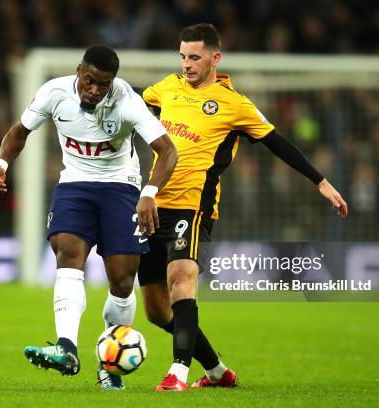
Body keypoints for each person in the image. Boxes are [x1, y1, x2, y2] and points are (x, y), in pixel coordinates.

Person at [138, 23, 348, 392]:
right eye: (183, 56)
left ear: (215, 58)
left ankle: (177, 374)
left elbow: (278, 143)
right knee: (157, 311)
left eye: (195, 57)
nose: (187, 64)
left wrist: (321, 182)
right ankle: (218, 372)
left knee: (181, 280)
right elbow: (132, 110)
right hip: (152, 203)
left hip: (194, 206)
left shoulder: (235, 104)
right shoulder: (166, 88)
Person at [0, 46, 177, 390]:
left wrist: (149, 193)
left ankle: (110, 367)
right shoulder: (53, 92)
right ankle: (67, 348)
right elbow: (19, 132)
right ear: (79, 71)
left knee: (121, 280)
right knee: (68, 254)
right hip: (74, 184)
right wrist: (1, 164)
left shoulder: (127, 101)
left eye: (104, 84)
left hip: (121, 187)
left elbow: (167, 149)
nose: (95, 90)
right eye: (90, 81)